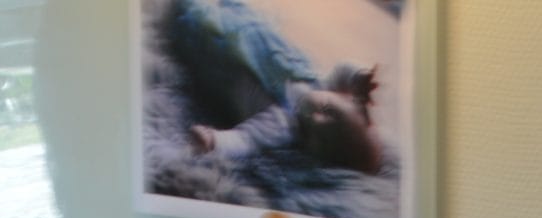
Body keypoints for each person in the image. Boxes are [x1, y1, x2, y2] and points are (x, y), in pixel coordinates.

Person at [162, 0, 384, 175]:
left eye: (322, 139)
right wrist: (360, 78)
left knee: (194, 20)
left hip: (223, 57)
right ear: (343, 97)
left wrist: (214, 141)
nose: (315, 118)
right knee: (242, 14)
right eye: (327, 109)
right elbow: (342, 70)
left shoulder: (282, 127)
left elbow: (246, 140)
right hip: (255, 36)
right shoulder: (322, 85)